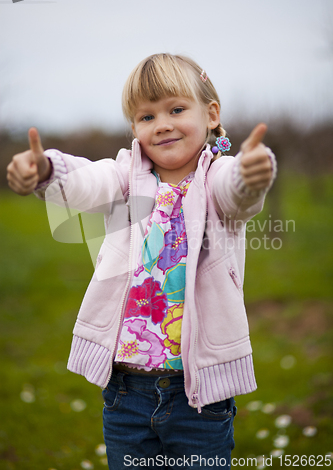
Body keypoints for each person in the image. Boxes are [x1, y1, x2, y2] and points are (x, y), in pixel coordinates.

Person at [7, 53, 276, 469]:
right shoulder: (124, 177)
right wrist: (44, 169)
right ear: (134, 129)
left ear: (211, 113)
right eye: (146, 116)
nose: (162, 123)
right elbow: (85, 180)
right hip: (125, 392)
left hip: (198, 396)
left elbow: (236, 191)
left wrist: (250, 174)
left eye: (176, 109)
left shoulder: (215, 178)